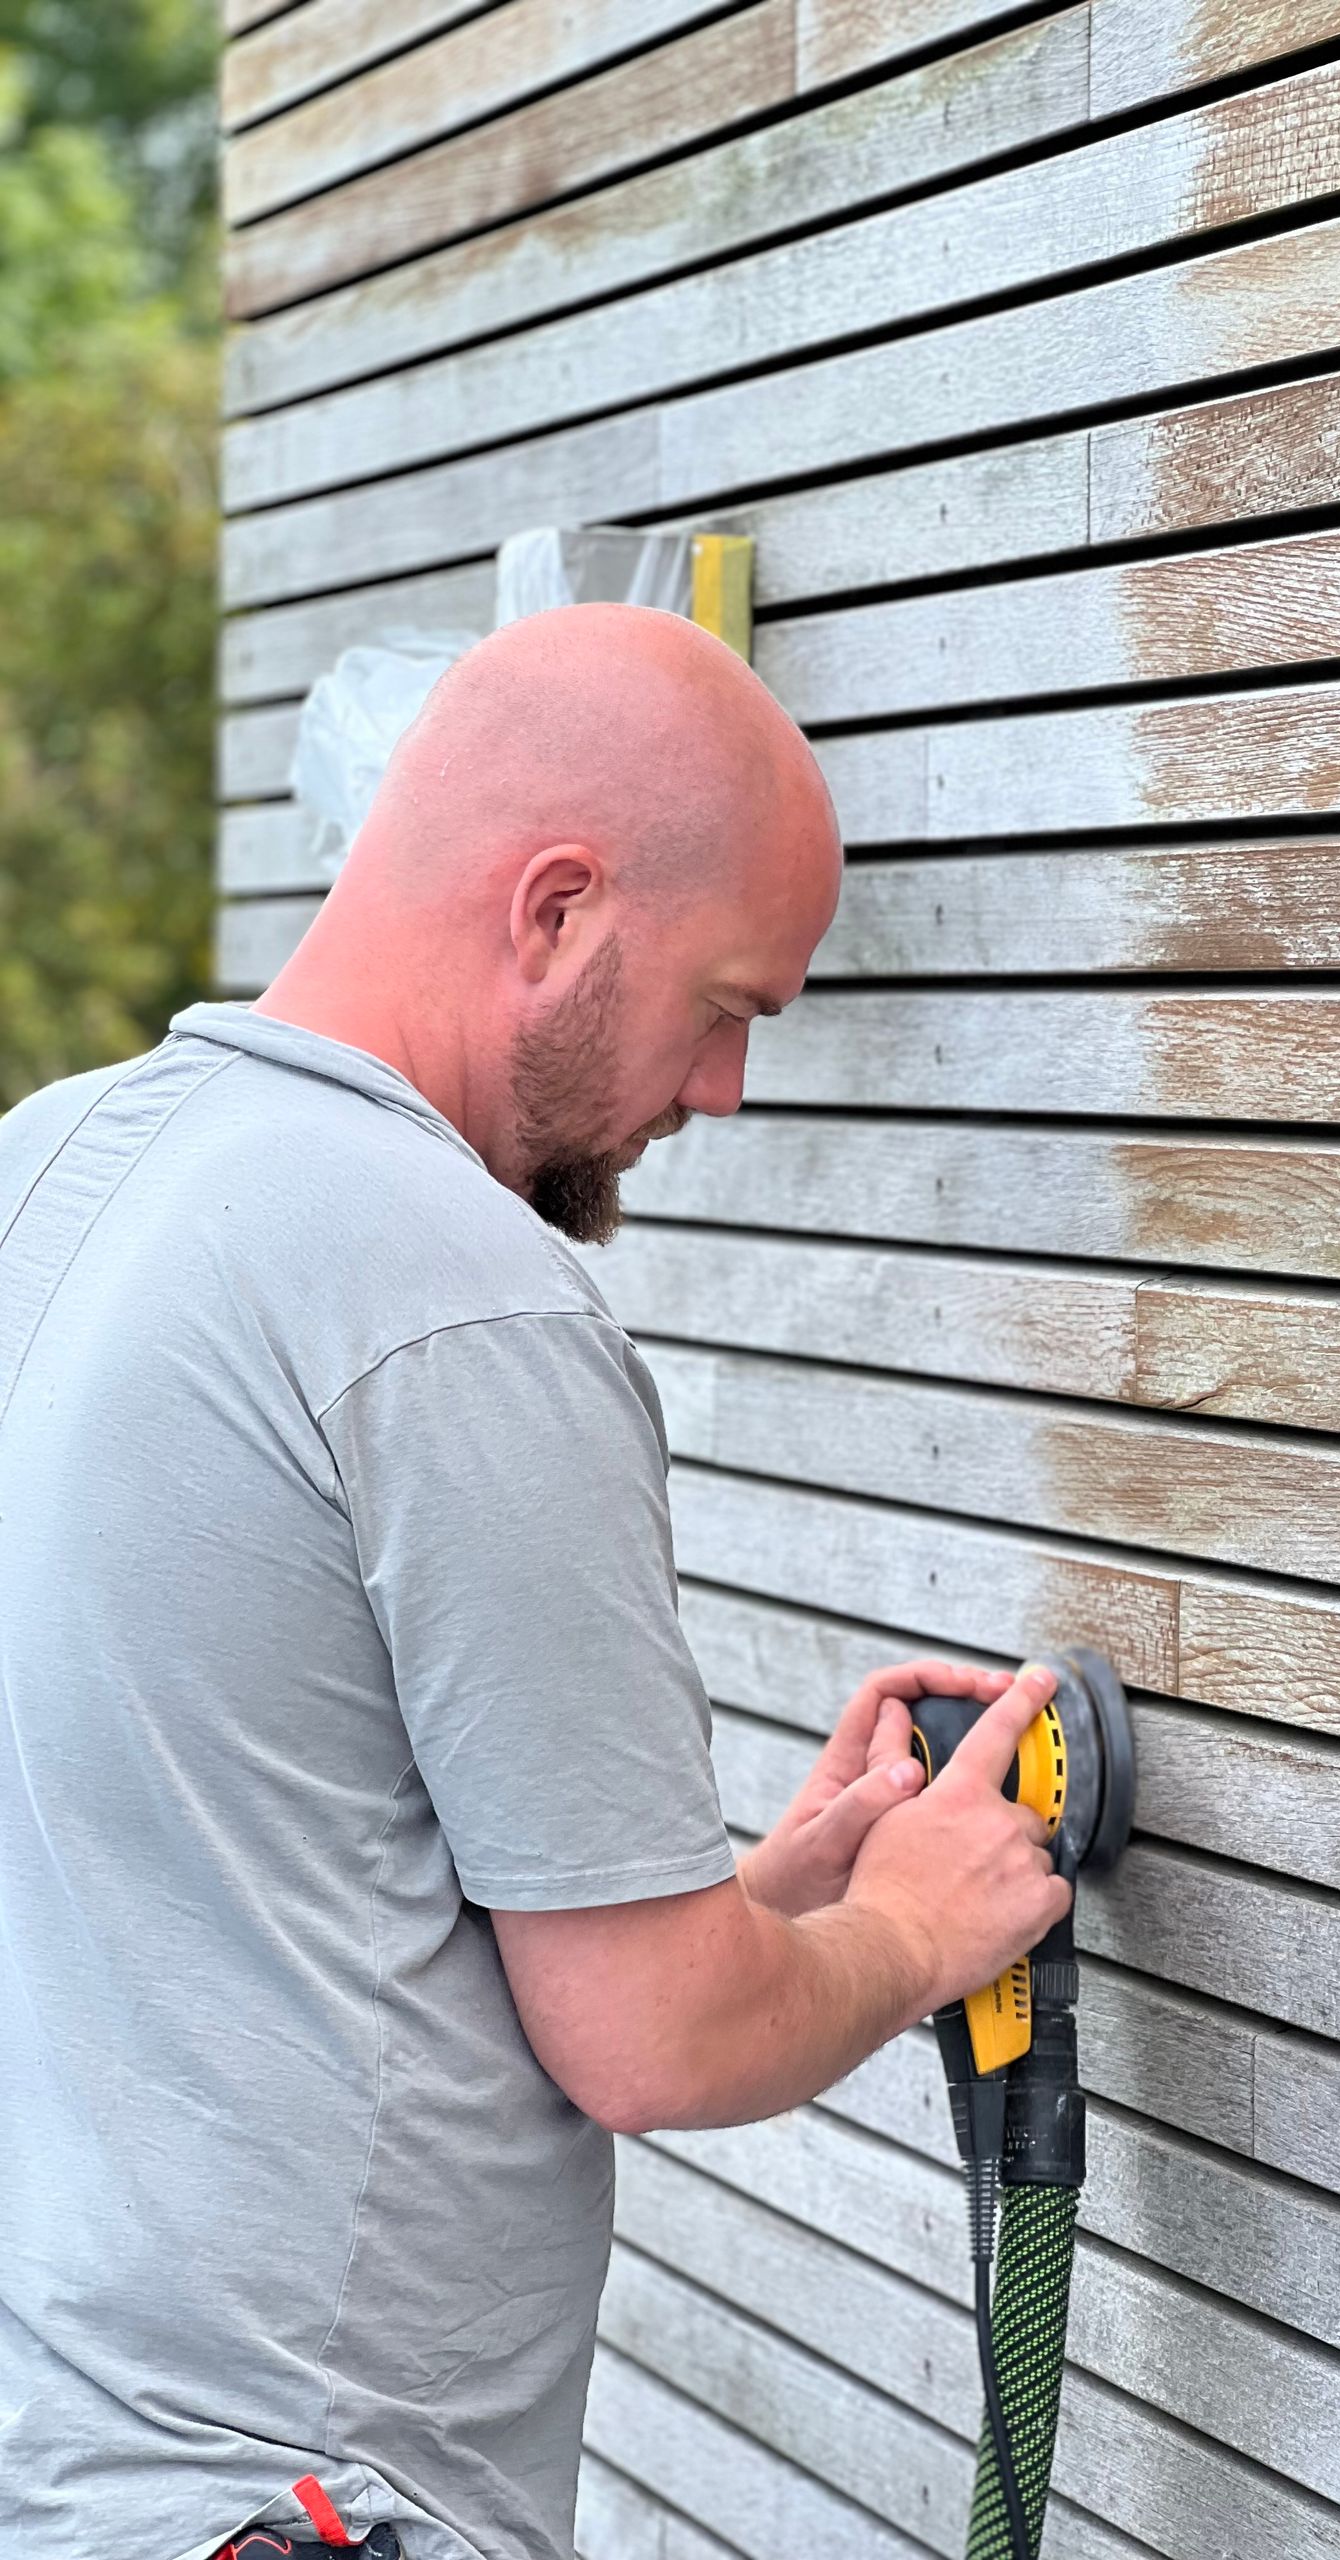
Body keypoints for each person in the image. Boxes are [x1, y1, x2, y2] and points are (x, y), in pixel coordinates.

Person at [0, 605, 1071, 2560]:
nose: (727, 1088)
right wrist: (914, 1935)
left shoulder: (56, 1169)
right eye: (729, 1002)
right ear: (558, 908)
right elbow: (651, 2041)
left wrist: (760, 1900)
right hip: (290, 2502)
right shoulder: (455, 1290)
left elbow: (263, 1860)